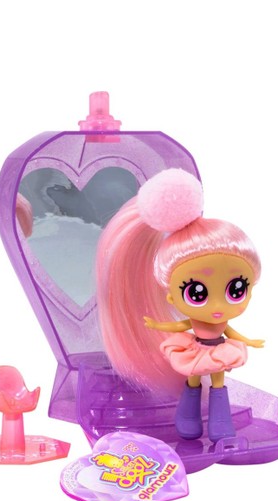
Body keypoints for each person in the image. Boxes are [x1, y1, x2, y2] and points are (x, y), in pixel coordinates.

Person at [96, 169, 263, 442]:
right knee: (193, 381)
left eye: (236, 289)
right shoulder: (195, 322)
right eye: (197, 293)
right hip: (195, 351)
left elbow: (229, 332)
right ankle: (188, 420)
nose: (217, 306)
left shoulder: (219, 323)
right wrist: (156, 325)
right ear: (171, 297)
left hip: (218, 351)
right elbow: (180, 326)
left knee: (218, 385)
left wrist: (248, 341)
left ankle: (220, 425)